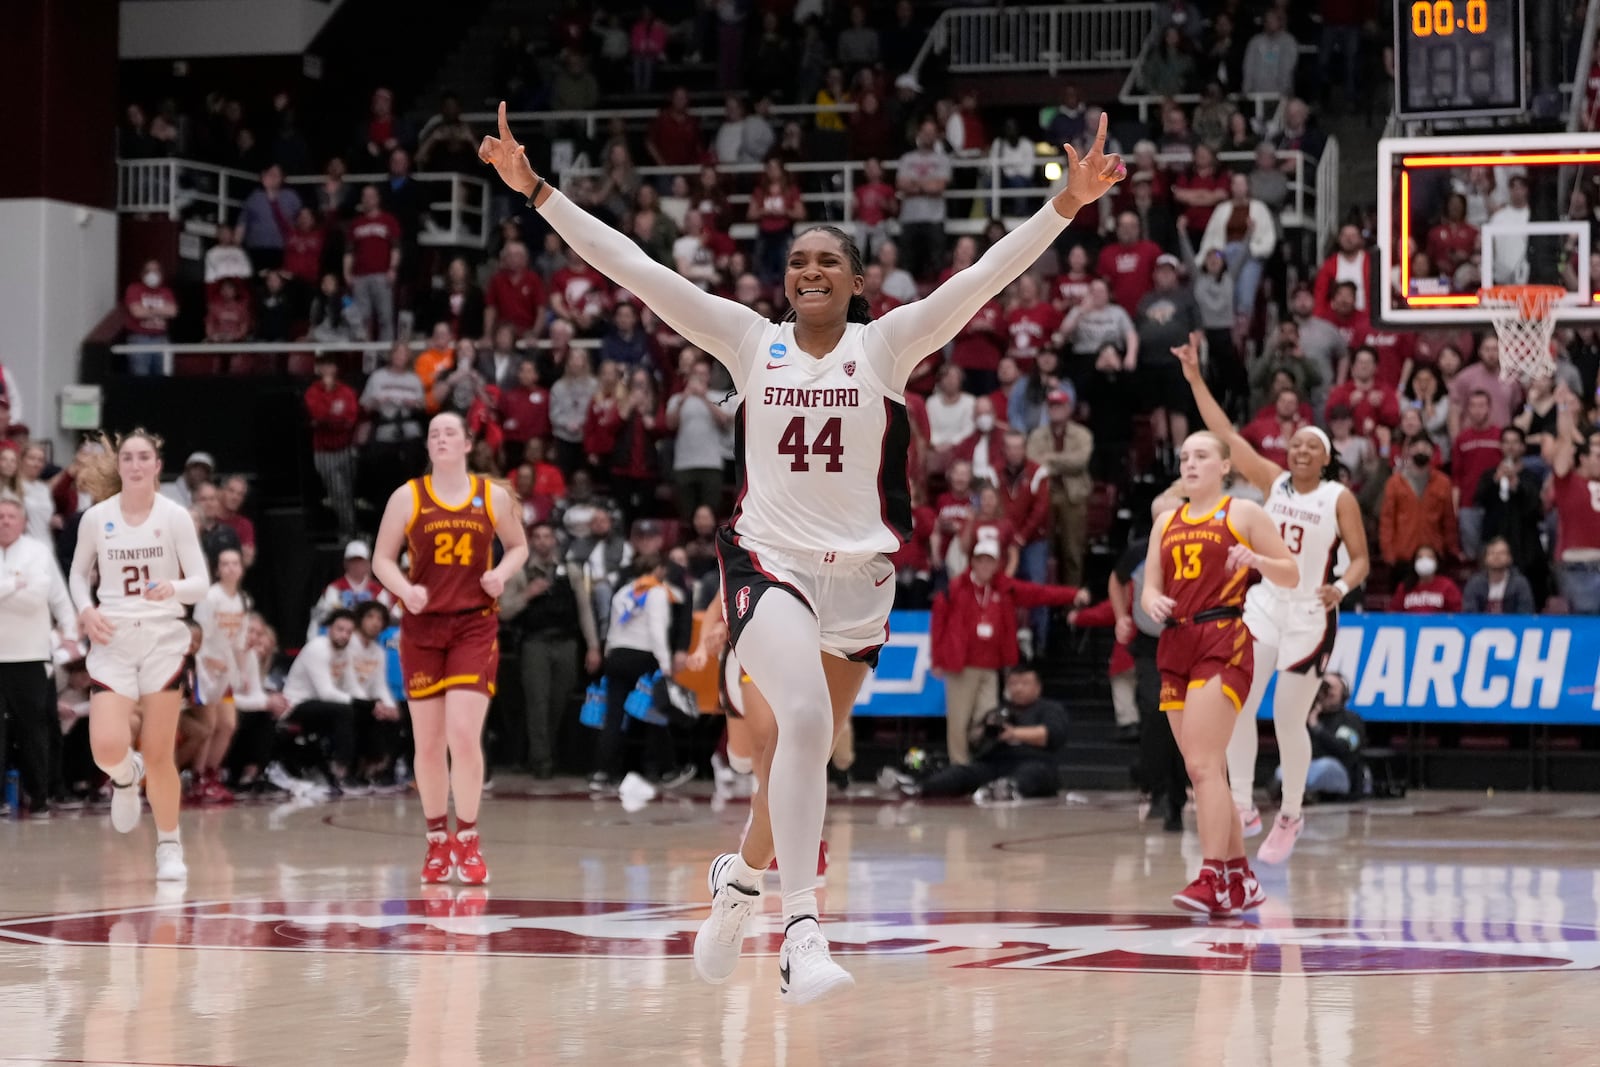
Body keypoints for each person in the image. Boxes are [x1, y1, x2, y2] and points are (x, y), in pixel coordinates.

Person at [479, 102, 1125, 1000]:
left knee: (801, 754)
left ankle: (736, 887)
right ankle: (804, 929)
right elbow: (635, 269)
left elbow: (982, 278)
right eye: (798, 261)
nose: (810, 269)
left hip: (860, 582)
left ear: (859, 282)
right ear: (785, 284)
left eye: (829, 260)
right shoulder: (751, 342)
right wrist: (539, 192)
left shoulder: (888, 344)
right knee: (807, 725)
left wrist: (1066, 206)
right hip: (765, 563)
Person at [1176, 335, 1369, 865]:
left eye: (1312, 445)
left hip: (1310, 612)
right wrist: (1195, 377)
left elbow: (1360, 559)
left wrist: (1342, 587)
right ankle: (1242, 803)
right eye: (1296, 443)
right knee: (1237, 707)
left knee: (1289, 720)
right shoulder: (1273, 482)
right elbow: (1224, 435)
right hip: (1263, 605)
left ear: (1326, 458)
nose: (1301, 449)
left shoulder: (1339, 498)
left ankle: (1290, 814)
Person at [1140, 430, 1297, 916]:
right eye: (1185, 457)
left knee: (1206, 765)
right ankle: (1241, 878)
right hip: (1176, 642)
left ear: (1224, 466)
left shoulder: (1243, 513)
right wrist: (1152, 600)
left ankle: (1212, 875)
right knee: (1202, 771)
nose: (1190, 464)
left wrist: (1258, 560)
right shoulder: (1165, 521)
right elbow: (1148, 589)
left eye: (1201, 456)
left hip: (1223, 637)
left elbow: (1290, 572)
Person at [372, 413, 528, 886]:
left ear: (466, 444)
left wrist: (501, 574)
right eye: (434, 433)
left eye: (450, 432)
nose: (441, 438)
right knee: (429, 743)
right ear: (429, 446)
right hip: (421, 629)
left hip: (473, 627)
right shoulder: (407, 496)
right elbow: (381, 558)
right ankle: (437, 838)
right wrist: (404, 589)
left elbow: (518, 547)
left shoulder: (492, 496)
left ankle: (468, 836)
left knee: (463, 735)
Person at [68, 430, 211, 881]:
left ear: (156, 464)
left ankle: (169, 846)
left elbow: (201, 581)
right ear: (121, 466)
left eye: (142, 456)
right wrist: (85, 610)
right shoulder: (96, 518)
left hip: (161, 641)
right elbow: (76, 574)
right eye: (127, 456)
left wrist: (175, 587)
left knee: (159, 753)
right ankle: (124, 779)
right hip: (112, 639)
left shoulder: (174, 517)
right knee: (106, 748)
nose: (133, 464)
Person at [0, 497, 79, 817]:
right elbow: (28, 593)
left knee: (34, 729)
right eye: (0, 516)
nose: (4, 521)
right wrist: (15, 585)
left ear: (22, 521)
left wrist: (71, 633)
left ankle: (40, 796)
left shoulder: (38, 552)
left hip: (30, 656)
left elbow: (50, 595)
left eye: (10, 516)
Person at [190, 547, 251, 804]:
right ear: (217, 569)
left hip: (226, 672)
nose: (229, 568)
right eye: (224, 563)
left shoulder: (242, 600)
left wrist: (241, 671)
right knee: (210, 725)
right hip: (206, 670)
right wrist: (206, 661)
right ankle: (197, 780)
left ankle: (212, 775)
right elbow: (198, 634)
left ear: (241, 568)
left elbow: (240, 641)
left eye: (234, 563)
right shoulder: (209, 597)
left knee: (228, 725)